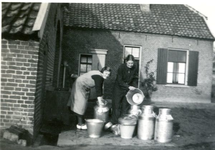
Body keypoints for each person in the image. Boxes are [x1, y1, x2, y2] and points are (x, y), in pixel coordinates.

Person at [105, 54, 138, 131]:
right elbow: (119, 80)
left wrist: (134, 86)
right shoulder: (121, 67)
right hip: (118, 88)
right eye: (129, 63)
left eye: (132, 63)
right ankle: (114, 123)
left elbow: (134, 78)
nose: (130, 65)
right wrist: (128, 86)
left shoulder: (134, 68)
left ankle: (123, 122)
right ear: (126, 62)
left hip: (127, 90)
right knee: (116, 106)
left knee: (125, 106)